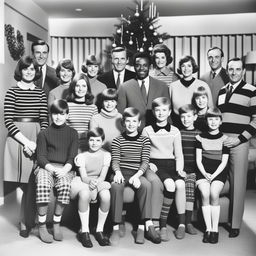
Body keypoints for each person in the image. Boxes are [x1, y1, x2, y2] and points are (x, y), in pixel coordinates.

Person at [4, 55, 48, 238]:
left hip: (37, 136)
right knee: (22, 183)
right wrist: (26, 142)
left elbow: (45, 120)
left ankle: (31, 219)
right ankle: (24, 221)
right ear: (20, 71)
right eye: (25, 69)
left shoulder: (40, 92)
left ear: (36, 71)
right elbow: (8, 120)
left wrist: (37, 142)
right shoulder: (12, 91)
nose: (29, 72)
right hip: (17, 139)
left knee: (33, 181)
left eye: (32, 69)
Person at [217, 57, 256, 238]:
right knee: (221, 181)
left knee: (238, 183)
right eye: (230, 69)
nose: (234, 73)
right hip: (222, 141)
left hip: (239, 142)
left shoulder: (252, 91)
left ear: (243, 71)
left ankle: (235, 224)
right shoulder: (222, 91)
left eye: (237, 69)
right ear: (227, 70)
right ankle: (218, 218)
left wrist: (240, 139)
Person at [110, 107, 161, 245]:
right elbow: (115, 161)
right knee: (115, 187)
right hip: (121, 172)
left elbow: (145, 162)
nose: (131, 124)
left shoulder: (145, 140)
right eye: (128, 121)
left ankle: (144, 226)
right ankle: (115, 227)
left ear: (139, 123)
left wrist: (138, 176)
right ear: (123, 123)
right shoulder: (117, 140)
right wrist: (118, 172)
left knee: (146, 185)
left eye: (134, 121)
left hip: (136, 173)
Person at [35, 99, 78, 243]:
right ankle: (42, 226)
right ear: (50, 115)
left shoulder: (73, 133)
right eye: (55, 113)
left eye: (62, 113)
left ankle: (56, 224)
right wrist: (51, 168)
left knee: (65, 185)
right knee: (43, 184)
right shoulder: (44, 133)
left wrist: (65, 169)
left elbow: (72, 156)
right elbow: (40, 156)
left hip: (65, 167)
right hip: (47, 166)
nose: (58, 117)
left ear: (67, 115)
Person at [142, 97, 186, 241]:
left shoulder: (175, 131)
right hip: (155, 164)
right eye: (157, 110)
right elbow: (143, 152)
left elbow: (179, 155)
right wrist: (148, 164)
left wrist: (180, 170)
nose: (160, 113)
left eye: (164, 110)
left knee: (180, 184)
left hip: (171, 165)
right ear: (153, 113)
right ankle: (163, 225)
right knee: (170, 184)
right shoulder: (147, 130)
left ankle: (182, 224)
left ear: (169, 112)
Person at [70, 128, 111, 247]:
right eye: (91, 140)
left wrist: (96, 182)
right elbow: (83, 177)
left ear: (102, 142)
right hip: (85, 181)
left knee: (106, 196)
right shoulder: (82, 156)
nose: (94, 143)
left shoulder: (106, 155)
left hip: (99, 180)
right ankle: (85, 231)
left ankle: (99, 230)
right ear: (87, 141)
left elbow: (103, 176)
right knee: (84, 194)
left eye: (98, 140)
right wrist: (90, 181)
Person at [195, 108, 229, 244]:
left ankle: (215, 230)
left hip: (219, 172)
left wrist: (213, 175)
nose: (213, 122)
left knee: (214, 193)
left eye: (216, 119)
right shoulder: (200, 137)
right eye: (210, 119)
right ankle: (208, 229)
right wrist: (204, 174)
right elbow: (198, 160)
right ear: (206, 121)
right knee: (205, 193)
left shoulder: (225, 139)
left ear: (220, 122)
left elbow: (224, 162)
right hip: (203, 171)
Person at [117, 52, 170, 130]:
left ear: (150, 67)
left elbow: (168, 114)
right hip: (133, 133)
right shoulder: (124, 87)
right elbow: (121, 115)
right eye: (138, 65)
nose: (141, 68)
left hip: (157, 132)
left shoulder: (162, 86)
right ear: (134, 67)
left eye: (145, 65)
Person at [169, 55, 213, 129]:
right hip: (178, 125)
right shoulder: (173, 86)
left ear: (193, 67)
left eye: (189, 65)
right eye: (183, 66)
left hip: (200, 125)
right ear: (180, 68)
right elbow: (169, 110)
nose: (186, 69)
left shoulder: (203, 85)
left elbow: (211, 108)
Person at [179, 104, 201, 236]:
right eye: (183, 117)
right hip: (181, 169)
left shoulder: (199, 135)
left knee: (189, 183)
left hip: (194, 170)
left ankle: (188, 222)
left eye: (189, 116)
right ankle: (182, 221)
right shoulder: (179, 133)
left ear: (195, 117)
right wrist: (180, 170)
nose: (186, 119)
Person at [66, 73, 98, 152]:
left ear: (88, 88)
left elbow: (93, 133)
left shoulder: (93, 108)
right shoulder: (66, 106)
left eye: (84, 86)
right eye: (77, 86)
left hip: (87, 147)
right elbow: (63, 130)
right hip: (69, 145)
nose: (80, 89)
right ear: (73, 87)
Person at [90, 88, 123, 152]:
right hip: (101, 153)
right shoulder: (95, 118)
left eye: (112, 101)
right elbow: (94, 141)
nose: (109, 104)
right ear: (102, 102)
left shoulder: (120, 117)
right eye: (106, 101)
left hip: (118, 153)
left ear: (116, 103)